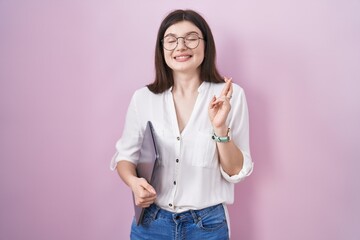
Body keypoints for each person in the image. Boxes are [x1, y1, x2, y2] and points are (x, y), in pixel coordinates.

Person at [110, 9, 254, 240]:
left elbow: (236, 171)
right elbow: (124, 157)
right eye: (171, 40)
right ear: (162, 49)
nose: (181, 46)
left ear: (206, 44)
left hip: (207, 227)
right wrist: (134, 182)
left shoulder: (231, 96)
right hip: (151, 224)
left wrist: (219, 129)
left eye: (191, 38)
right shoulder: (143, 98)